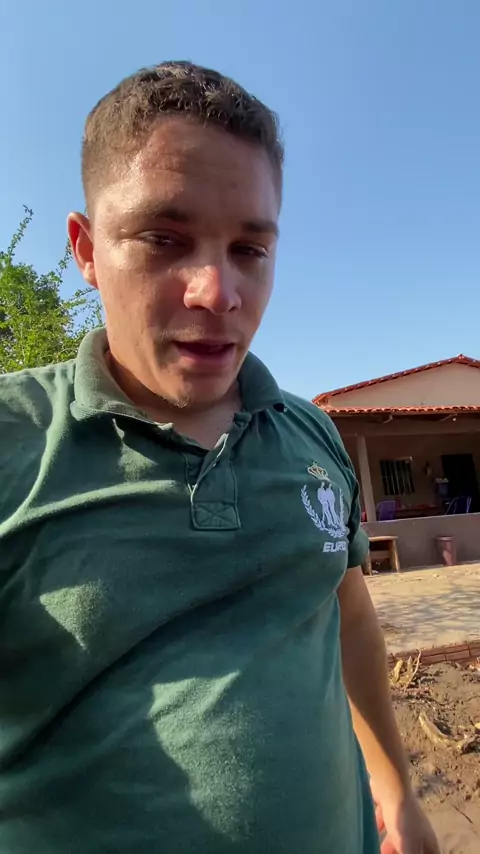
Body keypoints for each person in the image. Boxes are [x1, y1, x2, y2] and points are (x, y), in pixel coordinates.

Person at [0, 62, 438, 854]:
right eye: (164, 240)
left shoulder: (312, 436)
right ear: (86, 250)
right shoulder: (14, 441)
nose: (217, 291)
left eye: (249, 248)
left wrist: (399, 792)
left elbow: (345, 616)